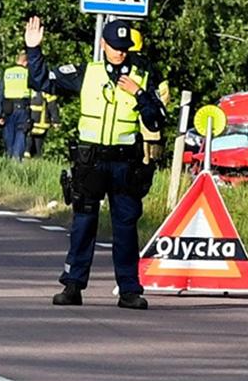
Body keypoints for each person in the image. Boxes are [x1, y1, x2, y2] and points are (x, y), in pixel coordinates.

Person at [25, 16, 167, 309]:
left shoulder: (142, 75)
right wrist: (34, 50)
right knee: (83, 224)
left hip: (125, 163)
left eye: (125, 47)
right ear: (103, 44)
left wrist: (138, 95)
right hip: (90, 161)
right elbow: (41, 80)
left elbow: (157, 118)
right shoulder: (86, 73)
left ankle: (129, 290)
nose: (120, 52)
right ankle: (73, 286)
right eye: (115, 46)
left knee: (125, 226)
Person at [128, 28, 171, 164]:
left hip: (127, 115)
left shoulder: (121, 63)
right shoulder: (150, 65)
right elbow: (164, 90)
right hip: (149, 112)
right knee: (149, 155)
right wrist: (160, 109)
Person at [0, 52, 31, 160]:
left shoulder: (7, 72)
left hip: (8, 109)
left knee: (9, 138)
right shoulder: (27, 73)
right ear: (26, 62)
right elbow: (33, 95)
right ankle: (16, 160)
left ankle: (10, 159)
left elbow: (0, 94)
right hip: (22, 109)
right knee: (21, 133)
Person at [24, 89, 60, 158]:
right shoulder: (46, 88)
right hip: (40, 121)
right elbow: (52, 105)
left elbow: (52, 105)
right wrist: (56, 120)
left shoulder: (30, 87)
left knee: (30, 138)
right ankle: (36, 157)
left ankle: (30, 155)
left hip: (32, 120)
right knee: (37, 141)